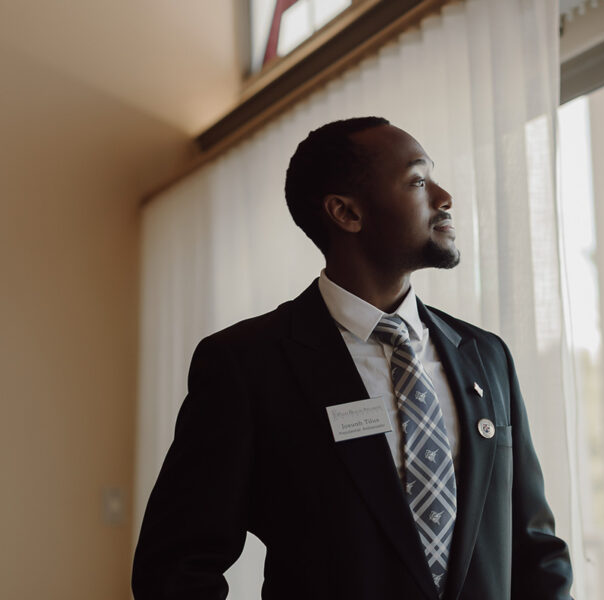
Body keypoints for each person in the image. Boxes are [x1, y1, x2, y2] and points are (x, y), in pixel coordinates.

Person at [132, 117, 573, 600]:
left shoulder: (487, 357)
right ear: (346, 212)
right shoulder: (246, 364)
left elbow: (535, 551)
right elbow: (175, 569)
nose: (444, 197)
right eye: (418, 181)